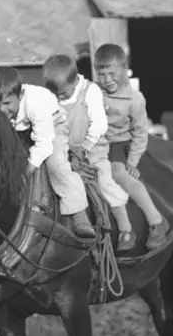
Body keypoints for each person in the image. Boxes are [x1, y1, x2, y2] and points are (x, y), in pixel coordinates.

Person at [0, 66, 96, 239]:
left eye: (7, 103)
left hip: (53, 126)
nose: (1, 110)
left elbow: (44, 144)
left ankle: (78, 212)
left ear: (20, 96)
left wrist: (28, 170)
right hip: (23, 129)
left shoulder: (35, 104)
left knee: (56, 162)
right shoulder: (1, 110)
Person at [42, 53, 136, 250]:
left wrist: (84, 148)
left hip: (92, 147)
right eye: (55, 95)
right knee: (58, 173)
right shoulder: (51, 97)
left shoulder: (90, 91)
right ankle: (79, 216)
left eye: (63, 94)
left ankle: (125, 227)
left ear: (76, 81)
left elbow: (99, 124)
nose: (59, 98)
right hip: (66, 150)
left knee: (104, 180)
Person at [93, 43, 169, 251]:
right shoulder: (92, 92)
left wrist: (132, 162)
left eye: (112, 73)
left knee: (117, 173)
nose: (107, 80)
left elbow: (140, 133)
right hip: (96, 144)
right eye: (102, 74)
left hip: (120, 145)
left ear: (124, 70)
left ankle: (155, 220)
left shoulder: (134, 100)